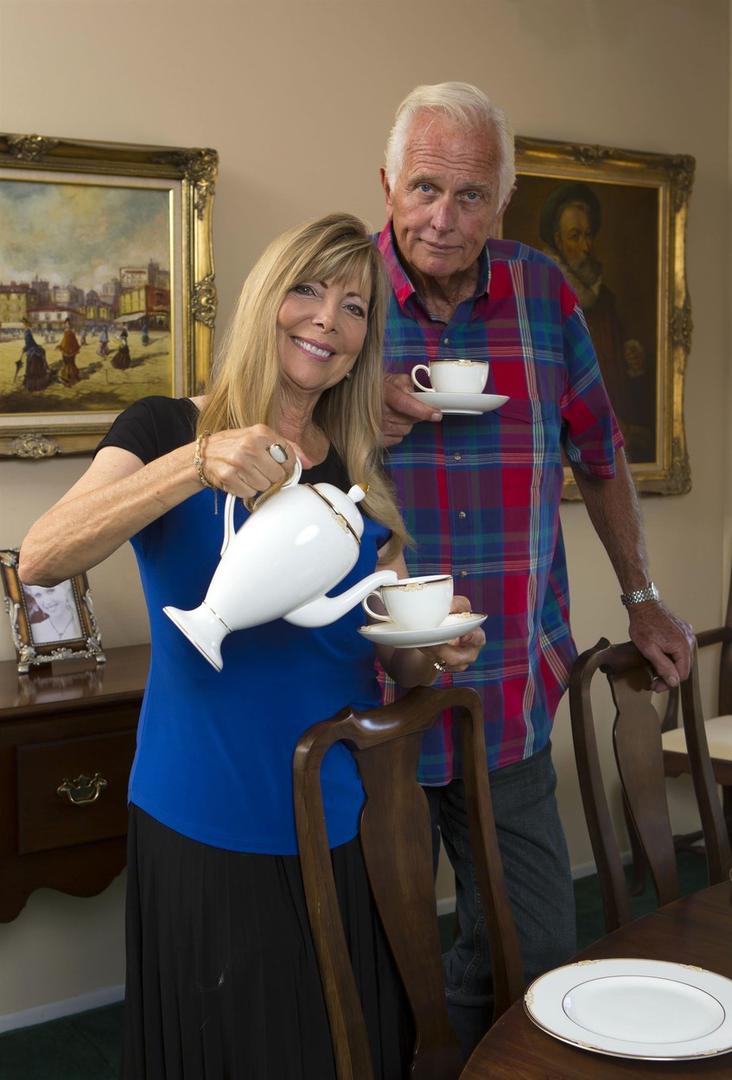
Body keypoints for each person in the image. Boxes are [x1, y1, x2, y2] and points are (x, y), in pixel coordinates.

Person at [19, 212, 485, 1079]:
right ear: (265, 298)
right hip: (203, 814)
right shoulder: (163, 427)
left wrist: (434, 646)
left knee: (343, 1052)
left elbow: (386, 654)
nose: (327, 319)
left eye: (355, 306)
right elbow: (42, 558)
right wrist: (196, 463)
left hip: (339, 818)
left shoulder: (355, 470)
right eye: (306, 289)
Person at [375, 82, 694, 1057]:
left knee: (535, 956)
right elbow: (264, 455)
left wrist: (642, 598)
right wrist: (354, 415)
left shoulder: (543, 291)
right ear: (387, 182)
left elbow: (600, 452)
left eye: (471, 194)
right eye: (425, 187)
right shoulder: (338, 296)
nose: (444, 217)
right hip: (371, 698)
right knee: (377, 967)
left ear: (503, 202)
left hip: (507, 686)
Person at [539, 181, 654, 461]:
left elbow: (617, 371)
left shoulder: (606, 299)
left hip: (612, 433)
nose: (586, 246)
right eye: (575, 236)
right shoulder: (541, 294)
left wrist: (633, 362)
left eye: (588, 235)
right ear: (558, 241)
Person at [17, 318, 51, 391]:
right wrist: (35, 345)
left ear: (25, 325)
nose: (21, 325)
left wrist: (25, 348)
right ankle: (46, 368)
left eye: (22, 324)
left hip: (31, 349)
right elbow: (30, 342)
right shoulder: (27, 331)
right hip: (31, 348)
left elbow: (30, 342)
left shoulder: (27, 332)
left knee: (39, 353)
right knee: (41, 352)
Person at [56, 318, 82, 386]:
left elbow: (74, 340)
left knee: (71, 363)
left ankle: (72, 377)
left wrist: (76, 347)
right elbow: (64, 341)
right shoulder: (65, 331)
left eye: (69, 324)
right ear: (65, 324)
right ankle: (66, 377)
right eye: (66, 324)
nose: (67, 325)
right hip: (65, 350)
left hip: (71, 350)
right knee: (66, 364)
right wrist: (60, 346)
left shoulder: (72, 331)